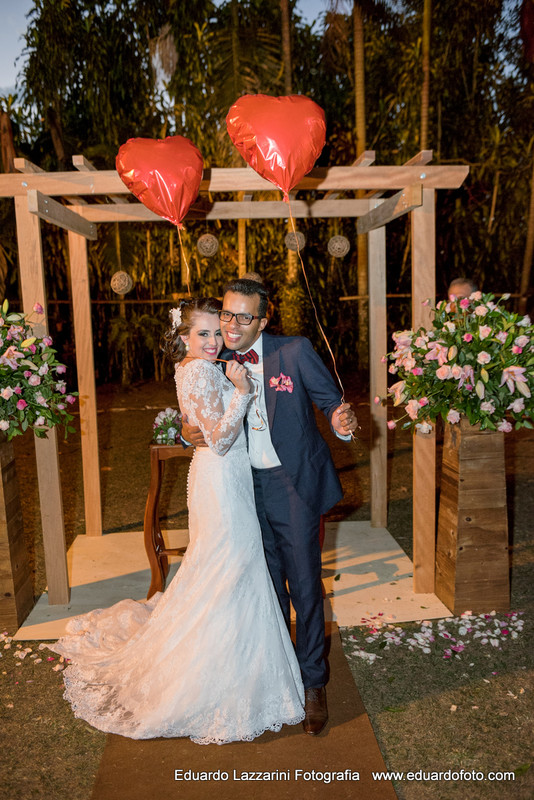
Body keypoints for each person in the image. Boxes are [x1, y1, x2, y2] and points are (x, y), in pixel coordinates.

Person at [49, 296, 305, 743]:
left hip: (225, 480)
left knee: (227, 570)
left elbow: (204, 428)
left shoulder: (199, 367)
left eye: (214, 332)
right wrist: (243, 394)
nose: (211, 341)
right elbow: (221, 439)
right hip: (222, 479)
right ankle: (218, 678)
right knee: (229, 570)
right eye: (201, 333)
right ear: (184, 337)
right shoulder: (197, 369)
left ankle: (236, 664)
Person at [182, 278, 358, 736]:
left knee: (303, 584)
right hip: (239, 486)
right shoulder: (214, 359)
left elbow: (332, 404)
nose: (232, 325)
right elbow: (195, 412)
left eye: (244, 316)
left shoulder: (294, 351)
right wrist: (186, 433)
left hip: (291, 483)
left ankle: (314, 682)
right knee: (263, 586)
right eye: (226, 314)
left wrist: (342, 422)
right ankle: (280, 676)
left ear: (264, 317)